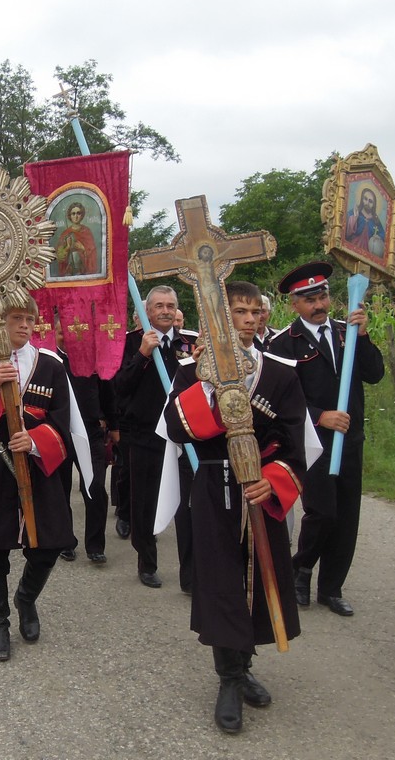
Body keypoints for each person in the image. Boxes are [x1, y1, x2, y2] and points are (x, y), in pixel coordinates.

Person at [163, 281, 308, 734]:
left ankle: (245, 665)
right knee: (222, 580)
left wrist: (274, 480)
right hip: (213, 486)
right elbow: (175, 427)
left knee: (259, 577)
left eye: (253, 312)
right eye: (237, 312)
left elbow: (296, 445)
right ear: (219, 318)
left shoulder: (281, 374)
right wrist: (207, 383)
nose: (247, 319)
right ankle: (228, 677)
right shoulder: (190, 371)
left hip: (261, 490)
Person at [0, 296, 90, 661]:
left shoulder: (52, 365)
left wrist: (36, 440)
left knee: (51, 543)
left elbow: (65, 419)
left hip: (40, 468)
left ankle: (26, 599)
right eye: (16, 318)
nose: (24, 325)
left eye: (29, 319)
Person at [267, 261, 385, 617]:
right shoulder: (283, 342)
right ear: (294, 304)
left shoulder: (345, 332)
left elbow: (375, 374)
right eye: (309, 300)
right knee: (323, 512)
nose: (319, 305)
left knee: (347, 516)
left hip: (350, 439)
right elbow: (279, 396)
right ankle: (300, 568)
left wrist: (363, 337)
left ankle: (331, 588)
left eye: (322, 296)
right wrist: (320, 415)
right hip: (311, 442)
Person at [113, 285, 196, 589]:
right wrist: (143, 355)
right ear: (146, 311)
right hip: (144, 435)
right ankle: (147, 562)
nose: (165, 311)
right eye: (158, 305)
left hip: (184, 435)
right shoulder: (130, 343)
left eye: (170, 305)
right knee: (145, 503)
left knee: (188, 505)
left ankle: (191, 574)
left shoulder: (191, 343)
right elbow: (119, 387)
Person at [56, 325, 117, 563]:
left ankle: (95, 545)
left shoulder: (92, 360)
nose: (68, 338)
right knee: (60, 490)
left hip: (91, 432)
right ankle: (65, 541)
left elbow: (108, 393)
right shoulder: (48, 361)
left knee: (95, 488)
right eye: (62, 333)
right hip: (59, 433)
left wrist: (114, 426)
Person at [53, 202, 99, 276]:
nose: (76, 216)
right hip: (69, 271)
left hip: (84, 271)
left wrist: (83, 248)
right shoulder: (65, 234)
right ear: (70, 216)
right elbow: (59, 257)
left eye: (78, 213)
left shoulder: (87, 231)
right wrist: (67, 248)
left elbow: (93, 254)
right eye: (73, 214)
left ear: (82, 215)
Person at [344, 186, 386, 257]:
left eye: (370, 201)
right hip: (351, 249)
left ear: (374, 204)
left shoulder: (376, 220)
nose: (367, 203)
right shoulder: (355, 212)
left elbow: (383, 235)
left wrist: (378, 237)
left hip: (368, 254)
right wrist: (354, 218)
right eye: (365, 199)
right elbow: (345, 227)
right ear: (361, 199)